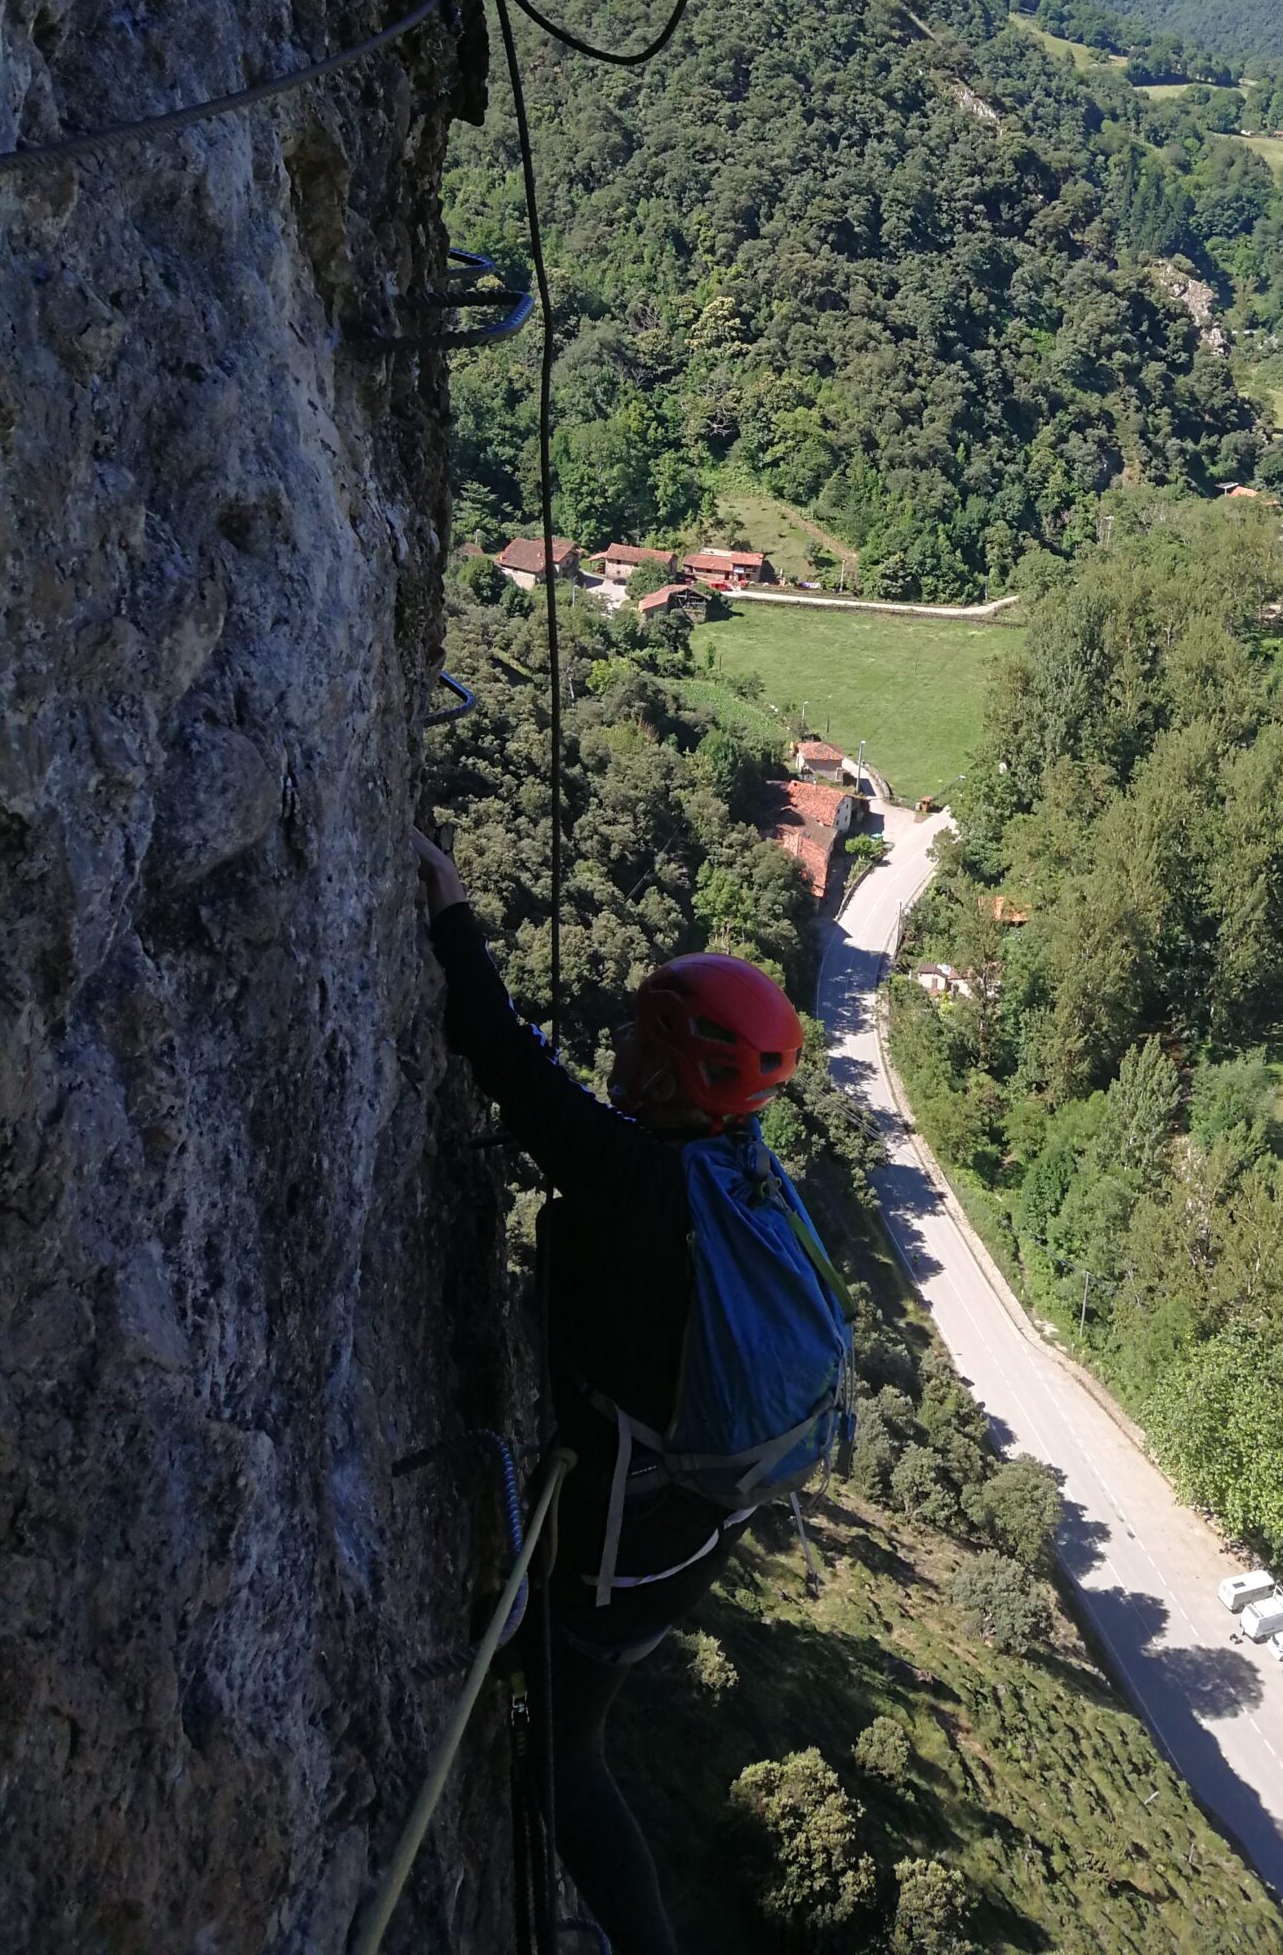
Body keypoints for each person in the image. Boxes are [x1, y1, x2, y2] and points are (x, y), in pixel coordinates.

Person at [412, 827, 844, 1954]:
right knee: (571, 1714)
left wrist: (450, 909)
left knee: (566, 1759)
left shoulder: (639, 1179)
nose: (615, 1051)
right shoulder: (736, 1173)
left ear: (670, 1066)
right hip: (691, 1529)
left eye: (637, 1037)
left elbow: (505, 1058)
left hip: (622, 1545)